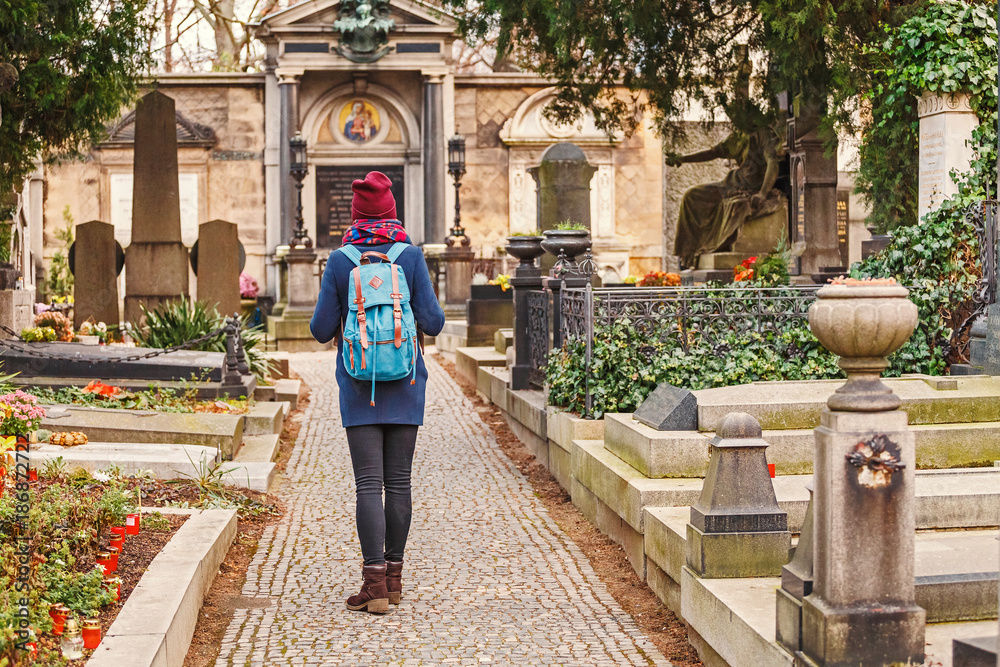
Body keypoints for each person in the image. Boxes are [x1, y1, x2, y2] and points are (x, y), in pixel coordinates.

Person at [310, 171, 445, 614]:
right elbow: (434, 322)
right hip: (406, 383)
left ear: (355, 215)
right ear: (392, 211)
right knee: (399, 482)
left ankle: (374, 586)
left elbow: (320, 330)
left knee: (368, 484)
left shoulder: (341, 260)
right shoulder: (410, 256)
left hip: (357, 382)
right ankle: (395, 579)